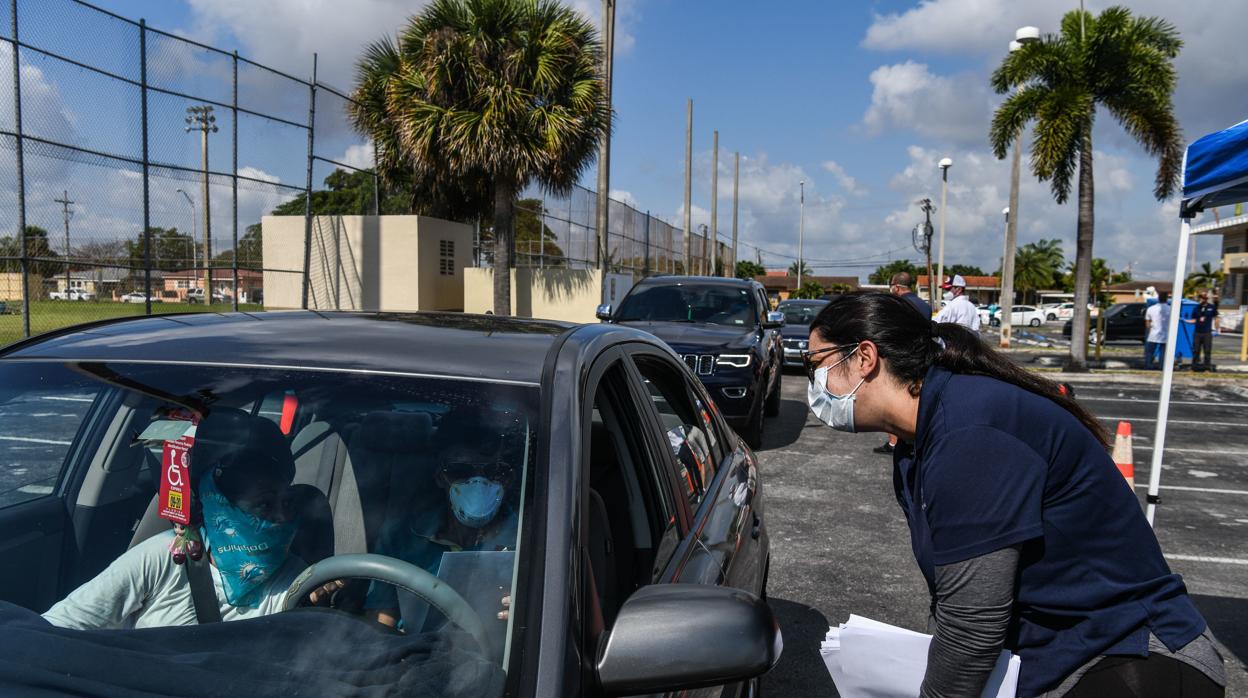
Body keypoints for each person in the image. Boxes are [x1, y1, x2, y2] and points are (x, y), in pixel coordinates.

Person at [802, 293, 1225, 698]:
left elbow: (973, 624)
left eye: (815, 363)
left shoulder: (970, 431)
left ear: (864, 357)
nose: (813, 382)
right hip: (1057, 659)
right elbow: (958, 601)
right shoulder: (920, 440)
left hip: (1128, 659)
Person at [43, 412, 310, 630]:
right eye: (264, 505)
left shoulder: (299, 577)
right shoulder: (164, 556)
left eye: (287, 503)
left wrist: (322, 602)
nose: (282, 518)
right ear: (220, 509)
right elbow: (60, 626)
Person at [366, 413, 520, 629]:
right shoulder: (402, 536)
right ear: (440, 477)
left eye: (494, 471)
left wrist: (525, 618)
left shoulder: (532, 544)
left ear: (509, 479)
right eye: (461, 471)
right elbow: (382, 625)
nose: (478, 483)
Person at [876, 272, 932, 454]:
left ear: (897, 287)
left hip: (900, 358)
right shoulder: (925, 306)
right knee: (915, 398)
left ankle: (894, 443)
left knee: (892, 400)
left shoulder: (898, 305)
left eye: (892, 286)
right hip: (921, 357)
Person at [1185, 291, 1218, 371]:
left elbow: (1216, 318)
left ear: (1206, 299)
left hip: (1207, 333)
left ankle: (1207, 367)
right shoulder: (1196, 308)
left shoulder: (1211, 307)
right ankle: (1194, 367)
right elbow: (1194, 320)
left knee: (1207, 351)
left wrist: (1217, 329)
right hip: (1197, 333)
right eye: (1201, 298)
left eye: (1204, 298)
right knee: (1196, 350)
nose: (1203, 299)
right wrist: (1185, 321)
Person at [1144, 292, 1171, 370]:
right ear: (1166, 299)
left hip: (1153, 334)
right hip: (1166, 334)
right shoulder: (1171, 309)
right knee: (1163, 352)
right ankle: (1162, 366)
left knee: (1150, 352)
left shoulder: (1151, 308)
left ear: (1158, 298)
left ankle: (1148, 365)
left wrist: (1151, 327)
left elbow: (1147, 323)